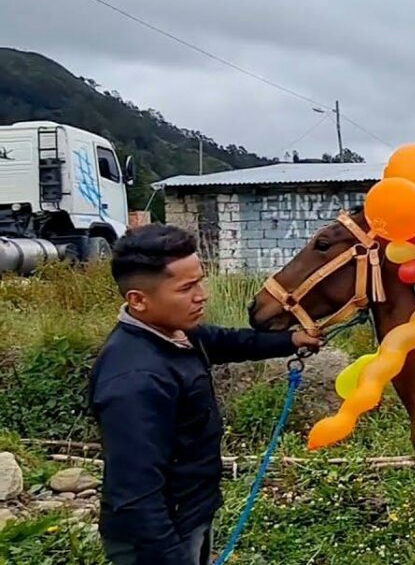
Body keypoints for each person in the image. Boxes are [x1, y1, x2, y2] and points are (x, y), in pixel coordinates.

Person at [89, 224, 322, 565]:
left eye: (200, 280)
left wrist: (291, 340)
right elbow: (137, 497)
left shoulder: (172, 333)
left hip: (190, 515)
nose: (202, 295)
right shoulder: (134, 380)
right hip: (158, 538)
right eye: (186, 288)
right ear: (138, 300)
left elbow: (225, 340)